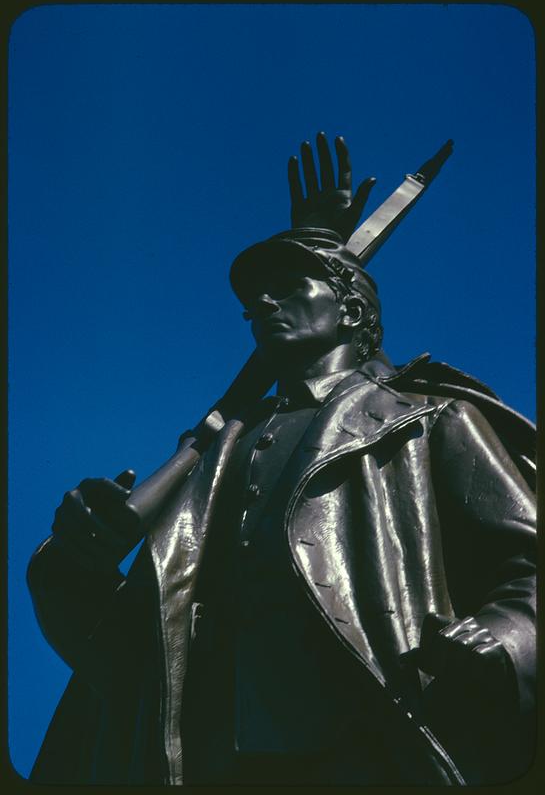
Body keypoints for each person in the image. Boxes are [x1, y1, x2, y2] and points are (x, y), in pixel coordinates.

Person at [27, 133, 536, 786]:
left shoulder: (427, 422)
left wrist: (501, 633)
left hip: (371, 734)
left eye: (288, 287)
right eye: (253, 301)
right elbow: (131, 634)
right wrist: (78, 559)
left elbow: (528, 561)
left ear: (351, 308)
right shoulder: (218, 451)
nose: (262, 305)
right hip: (211, 752)